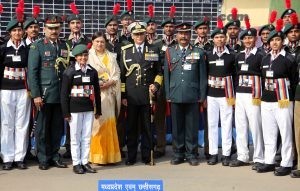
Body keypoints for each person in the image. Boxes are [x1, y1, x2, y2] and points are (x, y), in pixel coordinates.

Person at [256, 19, 297, 176]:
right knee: (269, 132)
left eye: (278, 39)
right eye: (272, 40)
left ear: (282, 41)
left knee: (285, 132)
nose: (275, 42)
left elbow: (293, 80)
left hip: (283, 101)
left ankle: (286, 163)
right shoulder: (265, 59)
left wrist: (289, 99)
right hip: (267, 100)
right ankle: (269, 161)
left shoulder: (289, 59)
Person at [28, 15, 69, 170]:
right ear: (44, 29)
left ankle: (55, 155)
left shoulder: (64, 45)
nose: (54, 31)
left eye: (57, 28)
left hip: (60, 94)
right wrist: (36, 95)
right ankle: (43, 157)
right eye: (51, 28)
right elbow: (33, 72)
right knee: (43, 128)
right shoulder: (37, 46)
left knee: (57, 127)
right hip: (44, 94)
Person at [164, 22, 207, 166]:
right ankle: (178, 153)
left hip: (192, 94)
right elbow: (166, 75)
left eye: (187, 33)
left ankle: (192, 153)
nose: (184, 36)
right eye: (181, 33)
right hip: (175, 93)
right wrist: (168, 94)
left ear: (190, 35)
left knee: (191, 126)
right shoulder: (170, 52)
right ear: (176, 35)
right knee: (177, 127)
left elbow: (202, 75)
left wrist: (202, 95)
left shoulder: (198, 52)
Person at [120, 22, 163, 165]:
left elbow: (159, 72)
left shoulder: (153, 49)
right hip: (131, 96)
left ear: (145, 34)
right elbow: (122, 76)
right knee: (131, 127)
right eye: (136, 34)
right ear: (132, 36)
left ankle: (146, 155)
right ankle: (131, 156)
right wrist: (124, 96)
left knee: (147, 127)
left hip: (147, 95)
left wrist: (156, 85)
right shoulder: (125, 51)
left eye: (141, 34)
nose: (139, 36)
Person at [229, 17, 264, 170]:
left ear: (255, 39)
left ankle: (259, 157)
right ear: (242, 40)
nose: (248, 40)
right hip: (240, 94)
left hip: (254, 95)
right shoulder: (239, 55)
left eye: (250, 37)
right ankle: (242, 156)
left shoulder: (261, 55)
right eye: (245, 38)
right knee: (241, 125)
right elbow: (236, 75)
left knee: (256, 126)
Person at [61, 44, 101, 174]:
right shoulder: (69, 71)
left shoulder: (92, 71)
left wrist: (98, 110)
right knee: (75, 137)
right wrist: (66, 112)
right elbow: (64, 94)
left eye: (85, 55)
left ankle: (85, 162)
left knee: (86, 136)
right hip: (74, 109)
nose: (83, 58)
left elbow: (97, 92)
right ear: (76, 57)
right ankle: (76, 163)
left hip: (88, 108)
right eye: (80, 56)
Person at [0, 15, 31, 170]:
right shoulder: (3, 48)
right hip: (6, 89)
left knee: (22, 124)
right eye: (15, 31)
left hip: (22, 89)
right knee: (7, 123)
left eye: (20, 30)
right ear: (10, 33)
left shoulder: (27, 49)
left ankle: (20, 157)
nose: (18, 33)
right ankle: (7, 157)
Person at [88, 31, 122, 165]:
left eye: (102, 41)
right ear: (93, 42)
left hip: (109, 94)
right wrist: (96, 84)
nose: (100, 44)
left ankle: (110, 156)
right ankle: (95, 156)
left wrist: (109, 82)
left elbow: (117, 74)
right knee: (96, 125)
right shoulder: (88, 56)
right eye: (97, 41)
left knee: (109, 123)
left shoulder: (111, 56)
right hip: (94, 95)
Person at [63, 2, 91, 159]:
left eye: (78, 22)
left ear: (81, 24)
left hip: (83, 82)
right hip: (68, 81)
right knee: (70, 115)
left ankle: (83, 154)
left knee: (83, 118)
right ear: (69, 26)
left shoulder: (87, 41)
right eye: (72, 23)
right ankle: (68, 146)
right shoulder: (64, 42)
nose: (75, 25)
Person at [206, 17, 235, 166]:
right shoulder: (207, 55)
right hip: (211, 95)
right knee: (211, 124)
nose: (220, 39)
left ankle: (226, 154)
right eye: (217, 37)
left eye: (222, 37)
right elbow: (204, 75)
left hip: (226, 95)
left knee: (226, 124)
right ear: (213, 39)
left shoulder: (232, 55)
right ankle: (213, 154)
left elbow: (235, 76)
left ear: (226, 38)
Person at [151, 5, 178, 159]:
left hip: (175, 84)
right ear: (162, 29)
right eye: (166, 26)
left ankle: (178, 147)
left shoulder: (178, 45)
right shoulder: (155, 45)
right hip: (161, 84)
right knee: (159, 117)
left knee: (176, 116)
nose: (169, 29)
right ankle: (160, 146)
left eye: (171, 26)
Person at [282, 13, 300, 178]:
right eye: (291, 32)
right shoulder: (284, 50)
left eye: (296, 31)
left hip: (297, 93)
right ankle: (292, 158)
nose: (294, 34)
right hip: (288, 94)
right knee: (292, 128)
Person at [193, 16, 213, 159]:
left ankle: (208, 149)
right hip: (193, 87)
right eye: (200, 28)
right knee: (192, 121)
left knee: (209, 121)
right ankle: (192, 150)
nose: (203, 30)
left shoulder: (213, 46)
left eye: (205, 28)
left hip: (210, 87)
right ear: (196, 31)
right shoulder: (191, 47)